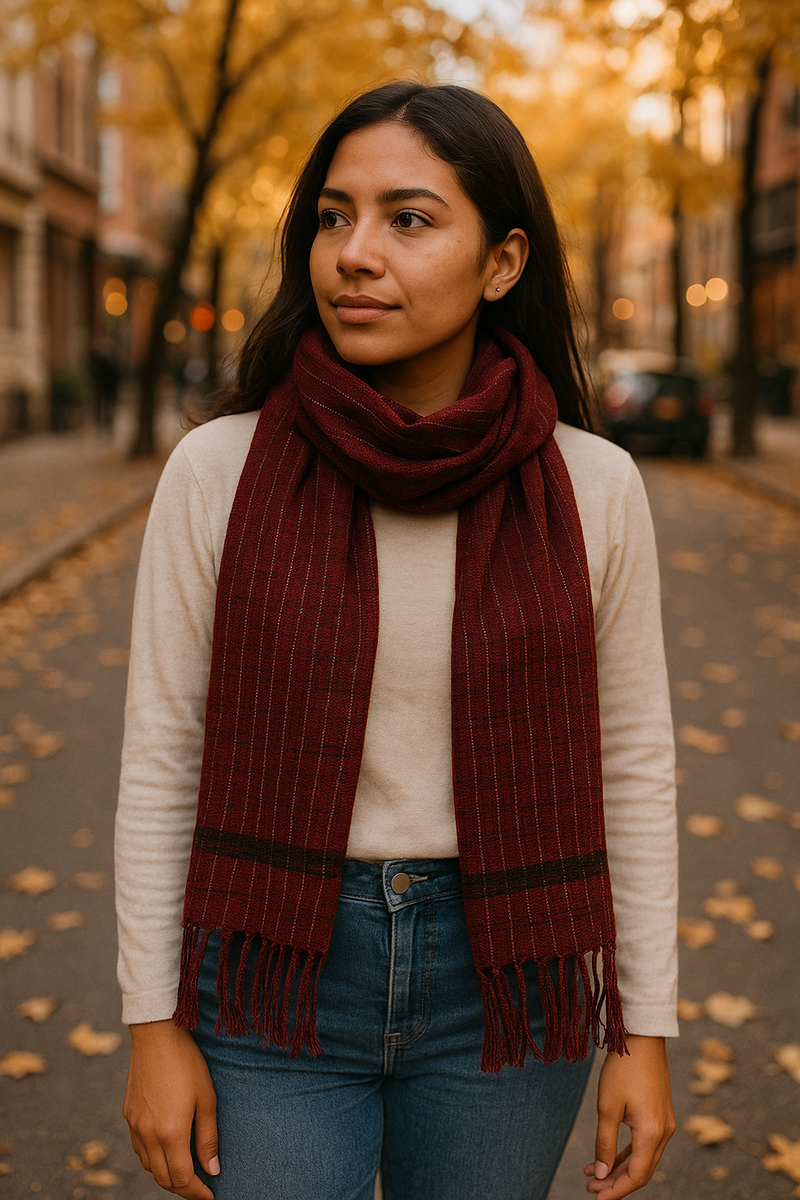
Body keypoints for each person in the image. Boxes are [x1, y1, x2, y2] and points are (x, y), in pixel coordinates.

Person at [115, 81, 677, 1200]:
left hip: (505, 979)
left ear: (502, 261)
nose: (353, 254)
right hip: (272, 970)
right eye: (333, 216)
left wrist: (641, 1028)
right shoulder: (218, 473)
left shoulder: (592, 486)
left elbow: (632, 764)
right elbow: (162, 756)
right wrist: (152, 1024)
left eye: (407, 220)